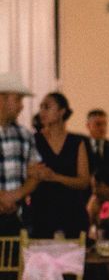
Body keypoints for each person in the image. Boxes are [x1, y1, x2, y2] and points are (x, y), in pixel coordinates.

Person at [30, 92, 90, 238]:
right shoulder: (34, 140)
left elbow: (84, 181)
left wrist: (56, 177)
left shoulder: (77, 142)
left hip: (71, 211)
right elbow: (28, 171)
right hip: (42, 211)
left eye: (47, 107)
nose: (42, 112)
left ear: (62, 111)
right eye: (41, 107)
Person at [0, 72, 41, 235]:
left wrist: (14, 196)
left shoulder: (25, 135)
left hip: (15, 220)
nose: (21, 106)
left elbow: (35, 174)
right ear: (1, 100)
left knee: (15, 260)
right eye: (17, 99)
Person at [85, 109, 109, 192]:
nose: (102, 128)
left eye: (105, 124)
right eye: (98, 124)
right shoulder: (82, 147)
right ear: (88, 126)